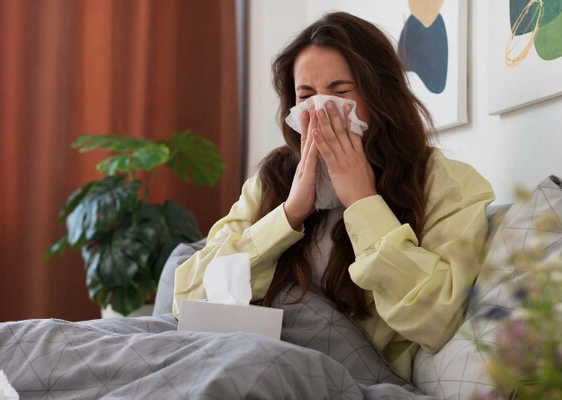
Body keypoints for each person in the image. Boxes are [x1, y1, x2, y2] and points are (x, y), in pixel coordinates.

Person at [173, 11, 495, 380]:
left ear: (379, 96)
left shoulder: (445, 183)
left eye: (340, 93)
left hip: (344, 376)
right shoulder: (273, 180)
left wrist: (363, 201)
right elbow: (187, 300)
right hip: (245, 360)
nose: (322, 111)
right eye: (306, 96)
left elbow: (436, 318)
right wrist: (289, 213)